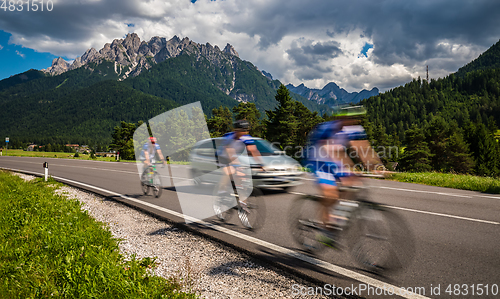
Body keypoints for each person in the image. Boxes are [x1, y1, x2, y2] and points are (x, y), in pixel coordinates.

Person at [304, 106, 382, 246]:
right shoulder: (327, 129)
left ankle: (336, 219)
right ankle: (325, 229)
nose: (349, 122)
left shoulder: (355, 130)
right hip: (318, 159)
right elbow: (330, 151)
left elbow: (364, 149)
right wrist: (350, 169)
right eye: (346, 119)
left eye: (352, 119)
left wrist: (377, 166)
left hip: (335, 160)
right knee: (330, 194)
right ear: (339, 118)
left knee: (353, 186)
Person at [216, 120, 264, 209]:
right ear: (236, 130)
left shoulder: (247, 137)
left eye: (246, 130)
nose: (244, 132)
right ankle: (222, 192)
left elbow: (253, 150)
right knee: (229, 171)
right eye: (242, 130)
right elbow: (229, 152)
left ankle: (242, 203)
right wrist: (236, 165)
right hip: (223, 157)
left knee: (242, 178)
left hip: (235, 157)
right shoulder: (229, 137)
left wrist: (260, 163)